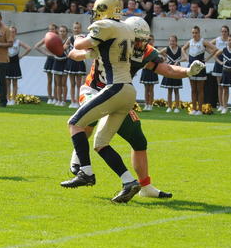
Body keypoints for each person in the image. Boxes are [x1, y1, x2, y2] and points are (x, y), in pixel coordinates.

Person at [68, 16, 205, 198]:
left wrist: (188, 71)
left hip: (118, 94)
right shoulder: (110, 38)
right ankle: (78, 161)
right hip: (94, 90)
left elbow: (167, 69)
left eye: (144, 40)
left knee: (138, 139)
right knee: (86, 122)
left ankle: (145, 187)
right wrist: (86, 51)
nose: (141, 44)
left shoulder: (144, 51)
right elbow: (75, 53)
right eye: (138, 39)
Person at [61, 0, 143, 203]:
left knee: (75, 123)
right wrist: (72, 52)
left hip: (115, 87)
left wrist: (76, 38)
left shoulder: (105, 26)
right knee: (101, 143)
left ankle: (86, 172)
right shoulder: (124, 29)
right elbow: (85, 54)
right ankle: (129, 182)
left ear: (102, 9)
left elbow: (82, 44)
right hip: (128, 91)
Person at [182, 25, 218, 115]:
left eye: (196, 33)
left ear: (199, 33)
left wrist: (207, 58)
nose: (194, 34)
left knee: (200, 89)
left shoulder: (203, 41)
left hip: (200, 67)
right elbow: (183, 49)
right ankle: (194, 109)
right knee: (193, 89)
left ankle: (200, 110)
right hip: (191, 67)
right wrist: (186, 57)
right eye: (193, 33)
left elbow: (215, 49)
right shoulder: (190, 42)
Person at [5, 26, 31, 106]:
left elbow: (28, 48)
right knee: (7, 82)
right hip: (7, 62)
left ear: (16, 33)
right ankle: (7, 99)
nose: (12, 33)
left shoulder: (18, 41)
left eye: (13, 32)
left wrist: (21, 56)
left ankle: (13, 99)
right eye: (10, 32)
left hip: (15, 62)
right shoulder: (6, 41)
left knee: (14, 82)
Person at [66, 21, 87, 108]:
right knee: (72, 84)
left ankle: (78, 102)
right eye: (75, 28)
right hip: (71, 62)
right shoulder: (70, 38)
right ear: (73, 29)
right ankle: (72, 101)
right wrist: (67, 53)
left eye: (78, 28)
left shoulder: (84, 37)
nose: (76, 29)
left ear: (81, 29)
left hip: (80, 61)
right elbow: (63, 48)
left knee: (79, 84)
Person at [160, 35, 184, 112]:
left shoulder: (180, 49)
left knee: (176, 90)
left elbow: (186, 58)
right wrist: (165, 58)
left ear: (176, 42)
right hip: (169, 70)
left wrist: (178, 61)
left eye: (173, 41)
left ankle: (177, 107)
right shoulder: (167, 49)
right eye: (170, 41)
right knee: (169, 90)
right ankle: (169, 107)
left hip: (177, 70)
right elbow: (159, 53)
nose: (172, 42)